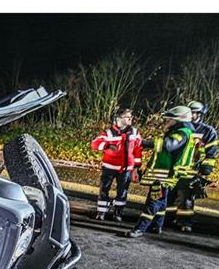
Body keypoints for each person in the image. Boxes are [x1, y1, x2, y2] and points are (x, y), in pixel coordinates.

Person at [127, 106, 195, 238]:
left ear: (178, 119)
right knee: (162, 202)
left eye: (168, 119)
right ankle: (156, 226)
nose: (166, 121)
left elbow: (169, 145)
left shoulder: (181, 132)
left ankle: (139, 229)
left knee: (153, 201)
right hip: (164, 173)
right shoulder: (183, 131)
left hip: (163, 174)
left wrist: (144, 143)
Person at [167, 100, 217, 232]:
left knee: (186, 198)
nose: (191, 114)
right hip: (174, 167)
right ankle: (167, 218)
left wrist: (206, 168)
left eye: (193, 112)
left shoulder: (207, 131)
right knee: (170, 195)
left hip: (191, 170)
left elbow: (211, 152)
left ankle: (185, 222)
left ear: (200, 114)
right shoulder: (179, 127)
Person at [90, 108, 143, 221]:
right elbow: (95, 144)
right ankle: (101, 212)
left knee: (122, 192)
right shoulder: (109, 133)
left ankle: (118, 212)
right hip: (109, 168)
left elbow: (138, 150)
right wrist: (107, 146)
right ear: (118, 119)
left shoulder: (134, 132)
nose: (130, 119)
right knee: (104, 190)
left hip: (126, 169)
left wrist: (136, 168)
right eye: (127, 117)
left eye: (131, 117)